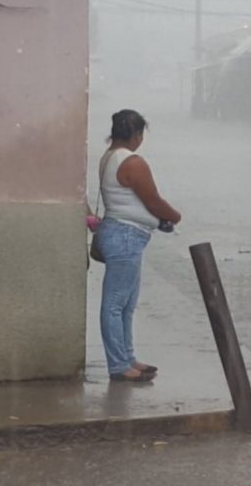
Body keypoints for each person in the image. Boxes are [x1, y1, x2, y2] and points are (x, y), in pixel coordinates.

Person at [96, 110, 182, 383]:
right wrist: (174, 216)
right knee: (115, 304)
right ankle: (119, 365)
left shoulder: (109, 156)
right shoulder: (132, 162)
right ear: (136, 134)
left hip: (122, 234)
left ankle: (128, 358)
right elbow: (152, 199)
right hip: (124, 236)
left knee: (126, 305)